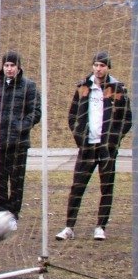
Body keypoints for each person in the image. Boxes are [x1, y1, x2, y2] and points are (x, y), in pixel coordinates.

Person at [56, 51, 132, 241]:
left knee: (106, 187)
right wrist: (80, 138)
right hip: (87, 147)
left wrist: (114, 140)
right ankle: (69, 227)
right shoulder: (84, 86)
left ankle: (100, 227)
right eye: (96, 65)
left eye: (102, 65)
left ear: (108, 67)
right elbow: (72, 115)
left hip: (106, 148)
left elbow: (127, 118)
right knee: (77, 186)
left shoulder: (117, 88)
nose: (98, 69)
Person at [0, 50, 41, 231]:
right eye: (6, 65)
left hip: (18, 144)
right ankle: (0, 214)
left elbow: (35, 112)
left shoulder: (29, 86)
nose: (9, 69)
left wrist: (20, 127)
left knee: (16, 183)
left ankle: (13, 215)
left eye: (12, 65)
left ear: (18, 67)